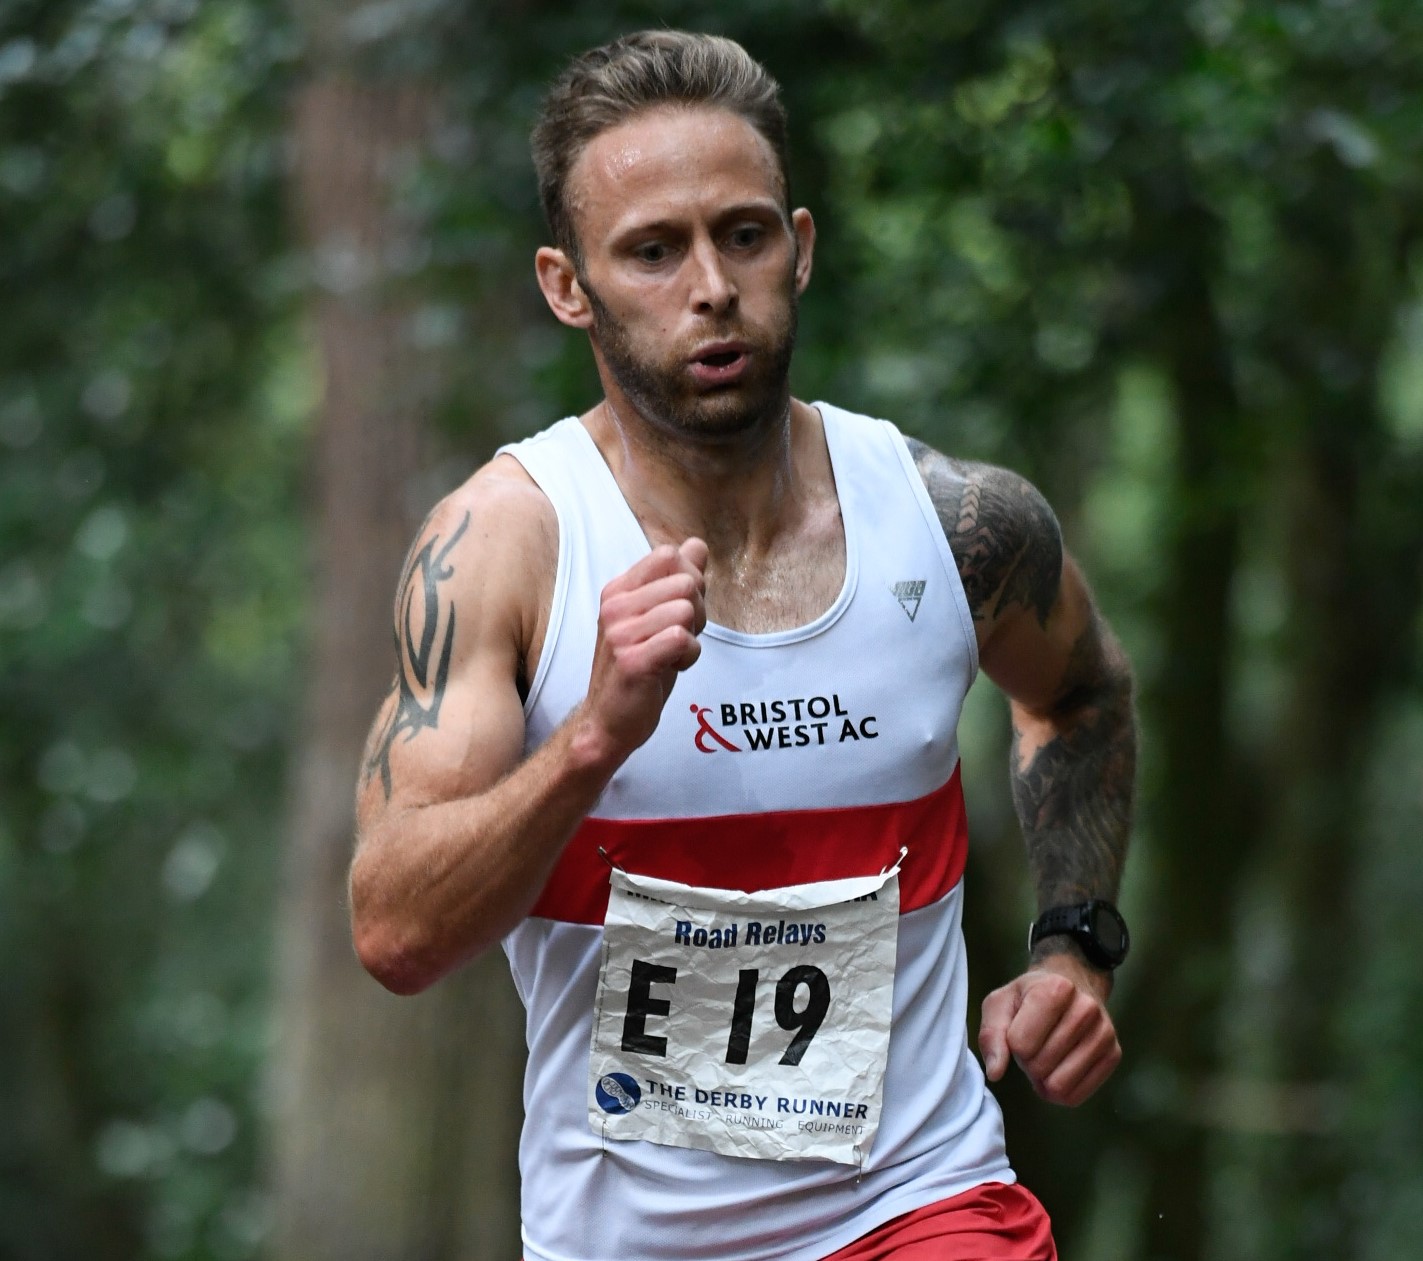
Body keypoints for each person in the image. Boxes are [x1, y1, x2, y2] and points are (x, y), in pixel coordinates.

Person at [350, 30, 1136, 1261]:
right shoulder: (507, 545)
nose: (711, 285)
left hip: (920, 1202)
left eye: (745, 235)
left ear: (800, 247)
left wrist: (1074, 945)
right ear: (567, 286)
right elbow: (395, 932)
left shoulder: (954, 524)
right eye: (653, 251)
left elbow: (1081, 695)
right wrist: (593, 740)